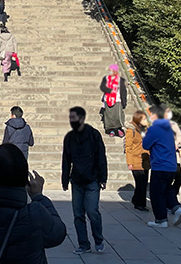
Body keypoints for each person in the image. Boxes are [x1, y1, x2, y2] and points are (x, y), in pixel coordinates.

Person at [62, 106, 107, 254]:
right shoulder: (69, 137)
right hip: (76, 180)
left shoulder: (93, 135)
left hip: (92, 179)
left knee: (92, 211)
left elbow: (101, 156)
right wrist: (64, 179)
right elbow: (66, 160)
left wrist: (103, 177)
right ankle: (83, 244)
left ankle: (98, 239)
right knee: (78, 214)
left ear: (81, 118)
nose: (71, 120)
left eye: (73, 117)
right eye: (70, 118)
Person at [143, 105, 181, 228]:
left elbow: (145, 144)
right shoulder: (168, 129)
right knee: (166, 190)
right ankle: (176, 208)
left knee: (156, 193)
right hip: (171, 165)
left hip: (160, 165)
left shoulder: (155, 129)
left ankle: (161, 220)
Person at [125, 110, 150, 211]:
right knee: (141, 183)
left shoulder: (147, 130)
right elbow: (128, 147)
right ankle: (140, 204)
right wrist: (129, 162)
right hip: (136, 160)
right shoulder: (131, 130)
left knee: (142, 182)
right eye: (144, 118)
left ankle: (136, 199)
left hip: (146, 160)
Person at [100, 65, 128, 137]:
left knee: (118, 115)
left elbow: (123, 91)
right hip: (108, 99)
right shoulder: (106, 79)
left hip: (117, 100)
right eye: (109, 70)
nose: (110, 72)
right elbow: (102, 87)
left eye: (111, 70)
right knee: (109, 116)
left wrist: (124, 102)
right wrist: (110, 91)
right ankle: (111, 130)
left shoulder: (120, 80)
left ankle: (119, 129)